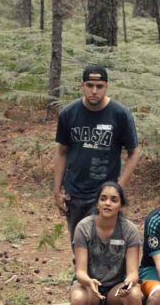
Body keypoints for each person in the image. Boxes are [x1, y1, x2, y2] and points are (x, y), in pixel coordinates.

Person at [62, 182, 143, 305]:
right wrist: (88, 281)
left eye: (114, 200)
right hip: (89, 285)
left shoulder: (129, 230)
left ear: (121, 205)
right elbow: (80, 270)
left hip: (116, 287)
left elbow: (133, 273)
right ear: (97, 202)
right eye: (103, 198)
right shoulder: (84, 227)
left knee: (134, 295)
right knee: (79, 299)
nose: (108, 203)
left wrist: (127, 284)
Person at [54, 65, 142, 240]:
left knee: (106, 246)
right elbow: (62, 152)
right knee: (79, 245)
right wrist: (57, 190)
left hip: (105, 195)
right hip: (75, 192)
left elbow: (135, 152)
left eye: (99, 86)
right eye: (89, 85)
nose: (94, 91)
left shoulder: (120, 114)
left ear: (106, 86)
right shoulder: (68, 114)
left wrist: (119, 187)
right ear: (82, 85)